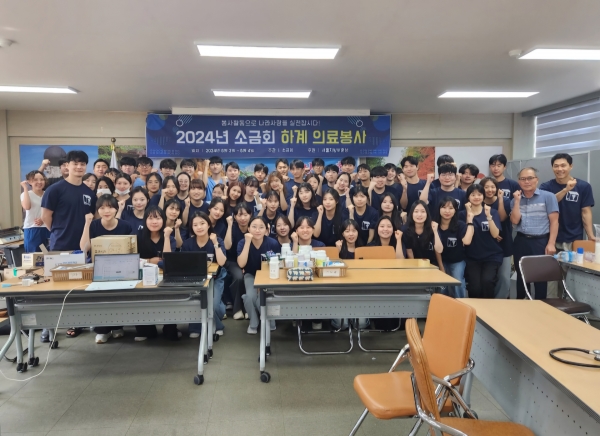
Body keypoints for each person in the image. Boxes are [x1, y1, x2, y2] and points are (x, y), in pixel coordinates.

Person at [80, 195, 133, 344]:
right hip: (99, 269)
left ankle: (117, 327)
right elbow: (84, 248)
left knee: (118, 298)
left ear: (116, 209)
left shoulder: (125, 226)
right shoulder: (94, 225)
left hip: (121, 269)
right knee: (100, 299)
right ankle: (102, 330)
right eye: (102, 208)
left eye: (110, 207)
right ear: (98, 210)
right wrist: (87, 224)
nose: (106, 211)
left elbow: (132, 247)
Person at [511, 167, 559, 300]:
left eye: (530, 178)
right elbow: (514, 221)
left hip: (540, 241)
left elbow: (554, 222)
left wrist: (551, 243)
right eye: (523, 179)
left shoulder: (548, 196)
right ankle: (521, 305)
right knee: (521, 276)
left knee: (540, 277)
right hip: (521, 241)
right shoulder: (515, 199)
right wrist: (517, 201)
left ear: (537, 180)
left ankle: (540, 307)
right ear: (519, 182)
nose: (526, 181)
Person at [135, 206, 178, 341]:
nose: (154, 222)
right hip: (143, 277)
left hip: (165, 276)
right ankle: (146, 329)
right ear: (145, 220)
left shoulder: (169, 237)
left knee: (168, 299)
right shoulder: (137, 237)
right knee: (141, 299)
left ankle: (169, 328)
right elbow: (132, 260)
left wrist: (166, 236)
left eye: (158, 218)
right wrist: (150, 260)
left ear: (163, 220)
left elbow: (168, 260)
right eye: (150, 218)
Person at [182, 211, 227, 337]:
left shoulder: (217, 240)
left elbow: (222, 262)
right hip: (195, 279)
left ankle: (217, 325)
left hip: (215, 278)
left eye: (202, 223)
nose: (199, 227)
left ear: (208, 225)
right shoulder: (188, 244)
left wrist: (215, 243)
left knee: (214, 304)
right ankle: (195, 327)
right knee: (195, 302)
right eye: (195, 225)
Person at [41, 150, 97, 252]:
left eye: (82, 164)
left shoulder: (90, 193)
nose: (79, 167)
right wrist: (59, 232)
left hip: (83, 247)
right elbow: (45, 217)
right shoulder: (54, 189)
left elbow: (92, 217)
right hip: (60, 245)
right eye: (75, 164)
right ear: (67, 165)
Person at [539, 153, 596, 251]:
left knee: (575, 261)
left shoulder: (583, 186)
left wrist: (590, 235)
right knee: (551, 262)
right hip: (550, 238)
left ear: (571, 166)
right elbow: (548, 204)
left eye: (563, 165)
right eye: (556, 166)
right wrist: (566, 190)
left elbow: (585, 212)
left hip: (574, 238)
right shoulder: (546, 187)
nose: (559, 169)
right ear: (552, 168)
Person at [459, 185, 503, 299]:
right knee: (475, 287)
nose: (476, 197)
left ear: (483, 196)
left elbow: (495, 234)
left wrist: (488, 216)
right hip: (471, 257)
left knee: (487, 282)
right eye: (473, 195)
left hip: (491, 256)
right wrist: (469, 214)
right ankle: (474, 309)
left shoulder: (492, 212)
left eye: (479, 194)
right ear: (468, 197)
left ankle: (488, 309)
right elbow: (466, 238)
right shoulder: (462, 215)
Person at [238, 216, 280, 334]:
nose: (257, 230)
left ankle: (268, 320)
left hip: (269, 276)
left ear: (266, 230)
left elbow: (277, 265)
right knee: (249, 297)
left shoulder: (272, 243)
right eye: (254, 227)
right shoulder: (242, 242)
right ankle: (254, 322)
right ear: (248, 229)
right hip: (250, 274)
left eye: (261, 227)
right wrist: (247, 242)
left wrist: (262, 283)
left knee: (263, 297)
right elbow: (241, 264)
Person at [481, 177, 513, 299]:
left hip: (504, 243)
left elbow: (502, 218)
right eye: (486, 187)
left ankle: (501, 301)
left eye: (493, 187)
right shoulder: (478, 202)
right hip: (486, 245)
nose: (490, 190)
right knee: (487, 279)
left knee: (504, 277)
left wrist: (500, 200)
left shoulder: (505, 201)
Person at [437, 197, 472, 298]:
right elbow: (436, 250)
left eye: (451, 208)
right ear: (439, 209)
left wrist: (470, 221)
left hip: (457, 261)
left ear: (455, 210)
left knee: (457, 281)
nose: (447, 211)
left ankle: (460, 303)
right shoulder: (435, 226)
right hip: (440, 260)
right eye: (444, 207)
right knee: (442, 286)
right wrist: (441, 267)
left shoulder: (460, 225)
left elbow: (467, 242)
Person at [224, 203, 252, 320]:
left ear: (250, 215)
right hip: (232, 261)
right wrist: (230, 226)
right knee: (239, 277)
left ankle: (248, 308)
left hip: (249, 261)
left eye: (245, 215)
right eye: (239, 215)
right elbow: (227, 246)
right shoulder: (232, 228)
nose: (243, 218)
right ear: (234, 216)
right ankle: (238, 309)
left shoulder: (253, 227)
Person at [401, 200, 443, 266]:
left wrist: (435, 231)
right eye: (416, 211)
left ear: (427, 214)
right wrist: (415, 268)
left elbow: (439, 250)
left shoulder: (433, 227)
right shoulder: (405, 230)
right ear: (411, 214)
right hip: (413, 264)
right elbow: (409, 252)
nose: (419, 214)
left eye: (423, 211)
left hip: (431, 264)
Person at [20, 171, 50, 253]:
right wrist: (25, 188)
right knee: (34, 255)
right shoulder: (26, 194)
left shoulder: (48, 194)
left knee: (49, 256)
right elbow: (27, 207)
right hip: (32, 229)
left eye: (42, 179)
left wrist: (43, 219)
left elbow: (54, 211)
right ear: (29, 182)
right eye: (35, 180)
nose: (39, 182)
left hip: (47, 228)